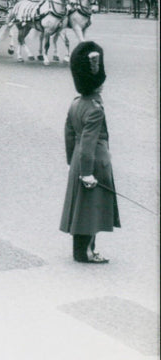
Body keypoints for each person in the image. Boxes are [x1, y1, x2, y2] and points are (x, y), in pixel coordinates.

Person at [60, 41, 120, 263]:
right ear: (96, 83)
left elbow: (69, 135)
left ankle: (80, 251)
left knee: (81, 208)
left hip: (79, 159)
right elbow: (88, 142)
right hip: (93, 161)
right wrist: (87, 172)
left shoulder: (76, 103)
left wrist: (72, 162)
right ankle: (87, 252)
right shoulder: (94, 108)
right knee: (91, 210)